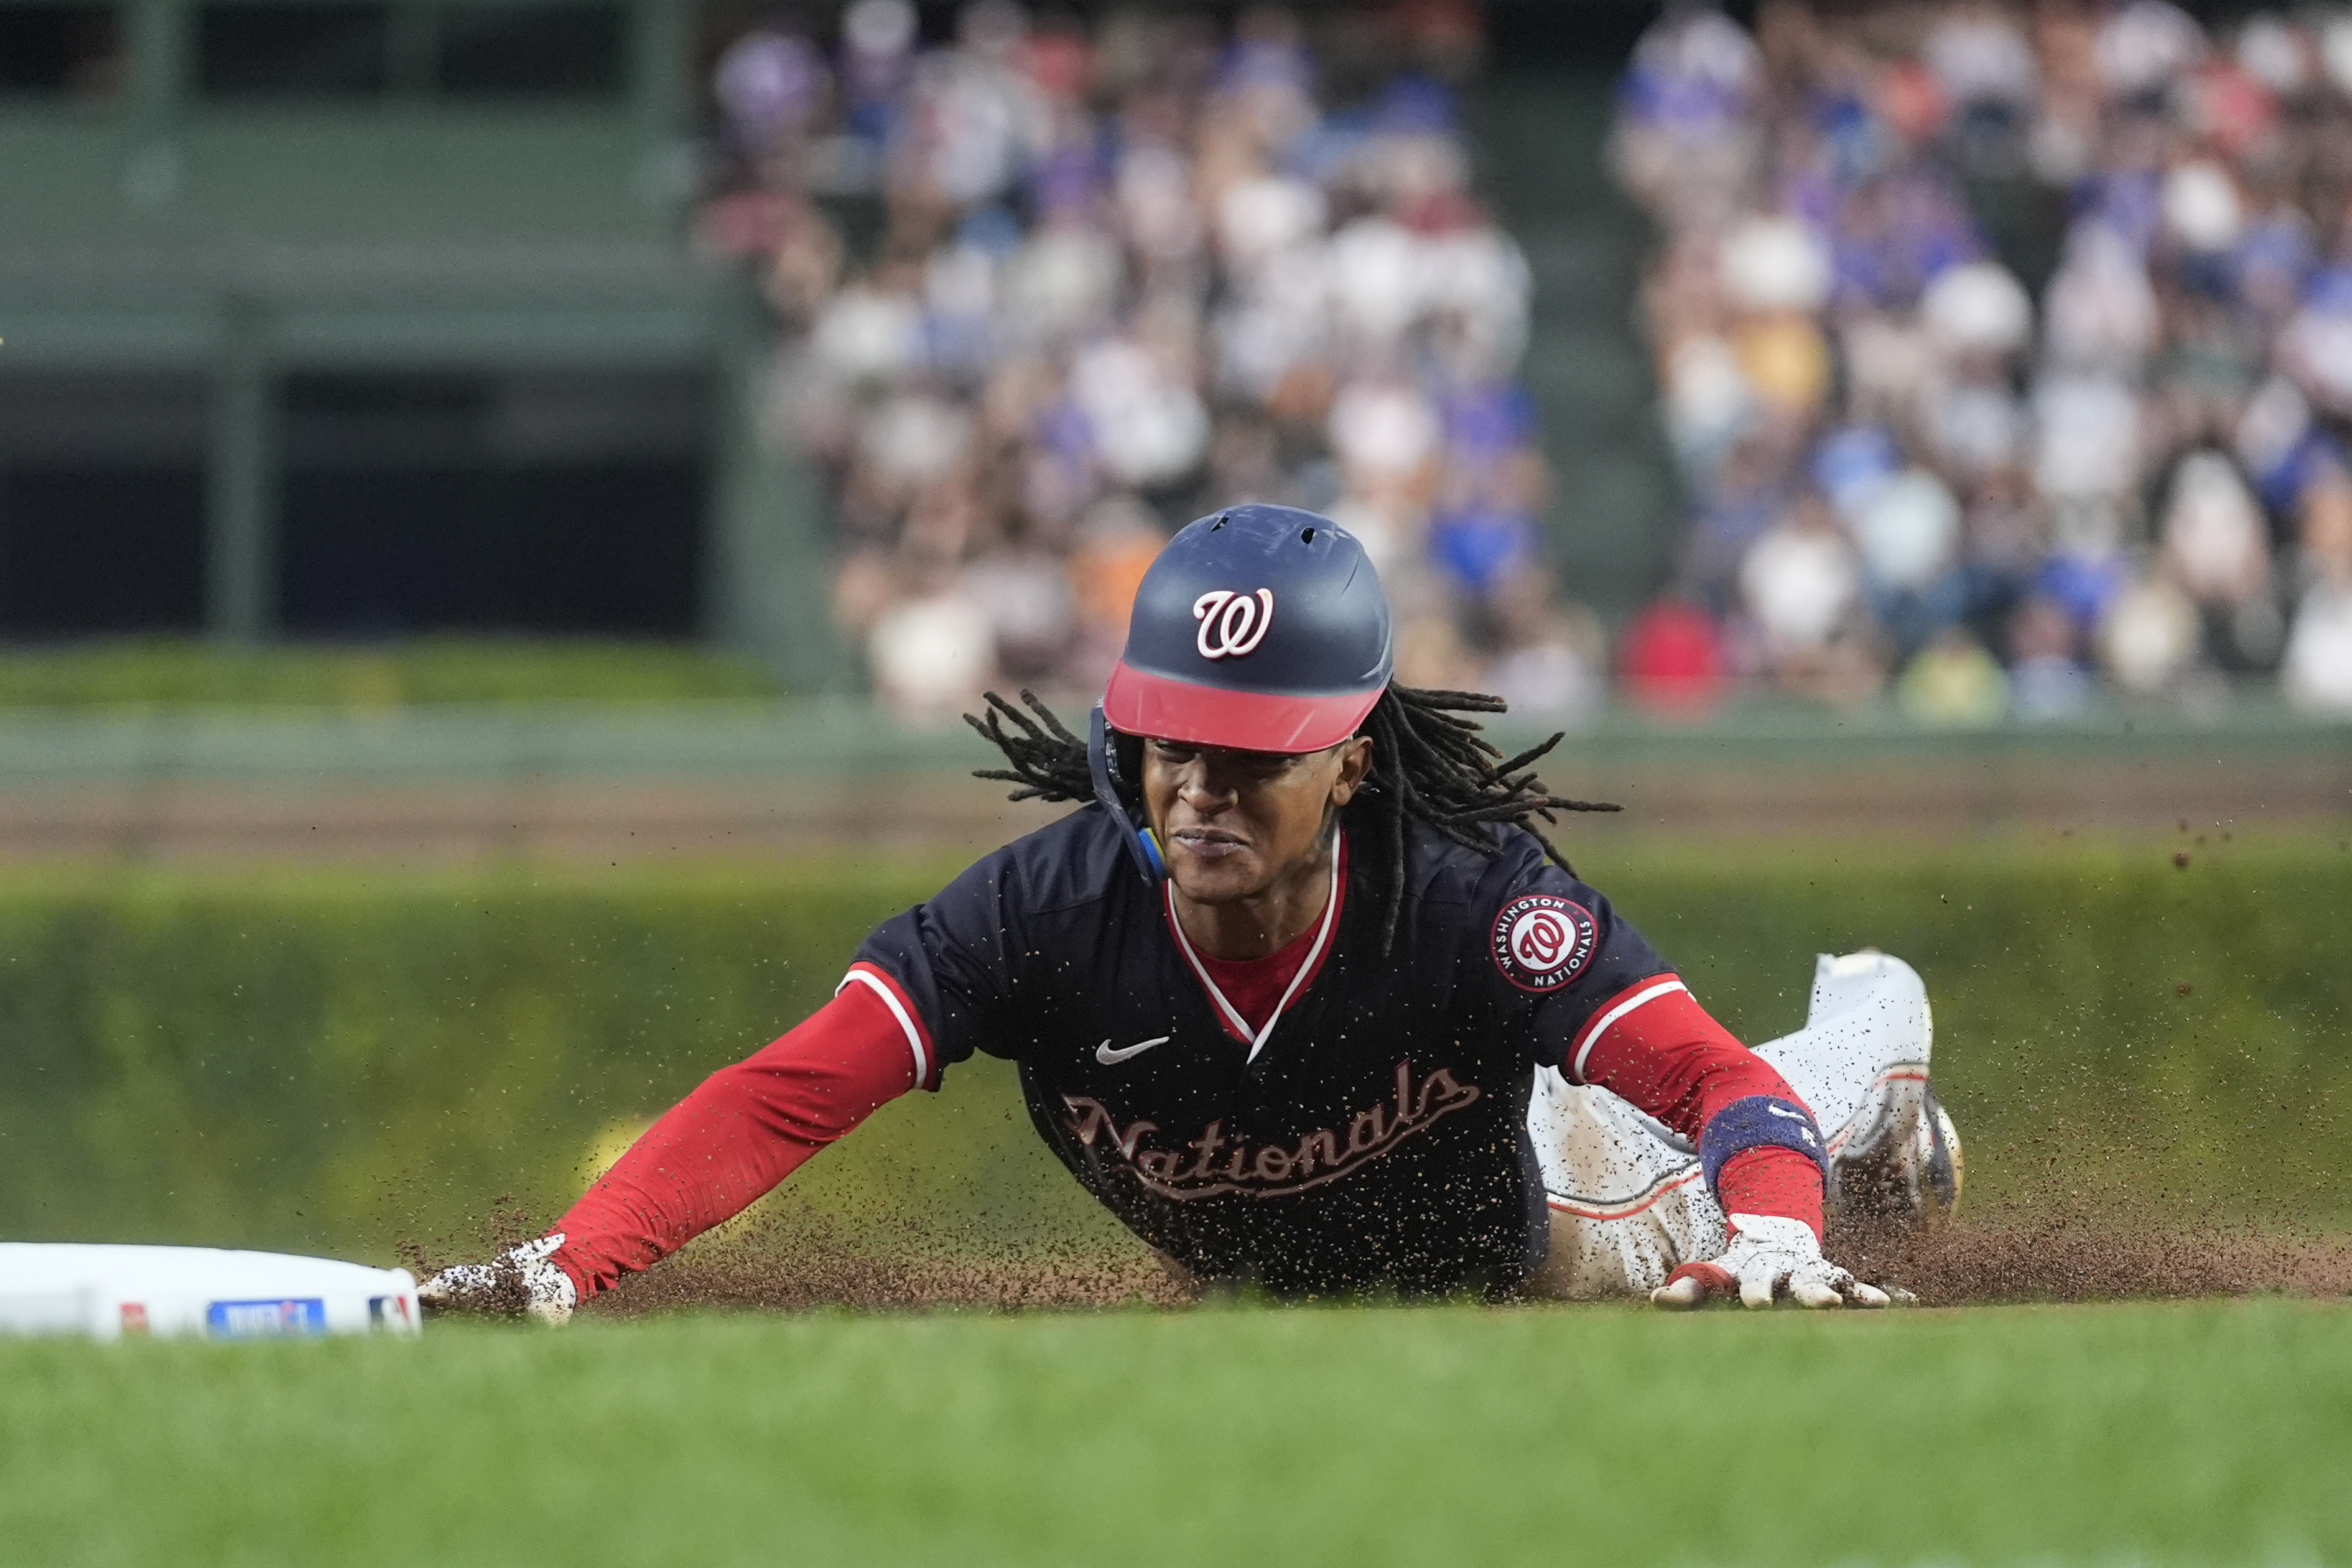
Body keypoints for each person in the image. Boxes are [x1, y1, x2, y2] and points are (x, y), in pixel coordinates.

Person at [421, 504, 1960, 1322]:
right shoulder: (1035, 915)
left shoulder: (1473, 903)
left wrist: (1771, 1235)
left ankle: (1878, 1046)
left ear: (1351, 756)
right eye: (1173, 742)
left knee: (1757, 1133)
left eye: (1255, 754)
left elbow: (1710, 1082)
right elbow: (782, 1097)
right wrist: (570, 1258)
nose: (1202, 789)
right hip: (1291, 1288)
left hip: (1549, 1225)